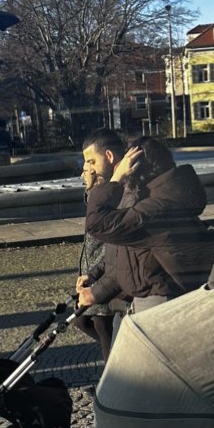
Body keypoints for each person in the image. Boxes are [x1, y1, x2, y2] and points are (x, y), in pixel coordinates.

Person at [77, 136, 214, 315]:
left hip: (157, 303)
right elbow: (126, 254)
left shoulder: (152, 210)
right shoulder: (161, 198)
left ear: (137, 167)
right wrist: (96, 275)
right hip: (152, 296)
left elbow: (96, 224)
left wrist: (117, 179)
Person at [73, 128, 126, 363]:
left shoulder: (120, 187)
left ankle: (115, 375)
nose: (88, 168)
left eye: (92, 161)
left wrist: (99, 274)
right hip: (96, 266)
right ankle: (122, 360)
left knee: (102, 324)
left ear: (110, 156)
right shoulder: (107, 185)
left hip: (108, 269)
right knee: (82, 320)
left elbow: (100, 222)